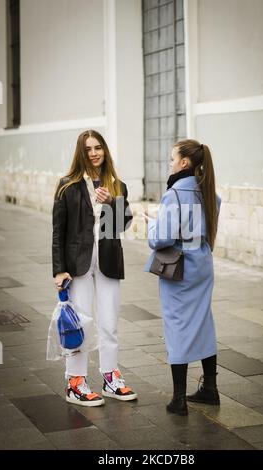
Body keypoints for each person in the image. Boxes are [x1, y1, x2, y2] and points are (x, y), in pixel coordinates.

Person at [52, 129, 137, 406]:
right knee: (81, 323)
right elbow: (58, 231)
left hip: (108, 262)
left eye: (98, 147)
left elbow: (120, 227)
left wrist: (112, 203)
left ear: (104, 150)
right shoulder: (68, 185)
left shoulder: (117, 185)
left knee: (110, 322)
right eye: (88, 149)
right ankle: (75, 383)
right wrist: (58, 269)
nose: (94, 153)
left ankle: (111, 378)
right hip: (77, 265)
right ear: (81, 152)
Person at [144, 139, 221, 416]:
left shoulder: (174, 194)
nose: (170, 163)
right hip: (202, 264)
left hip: (179, 269)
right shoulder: (208, 190)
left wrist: (151, 225)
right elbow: (210, 227)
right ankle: (210, 389)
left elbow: (162, 238)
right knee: (203, 321)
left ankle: (179, 399)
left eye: (172, 158)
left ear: (184, 162)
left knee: (177, 326)